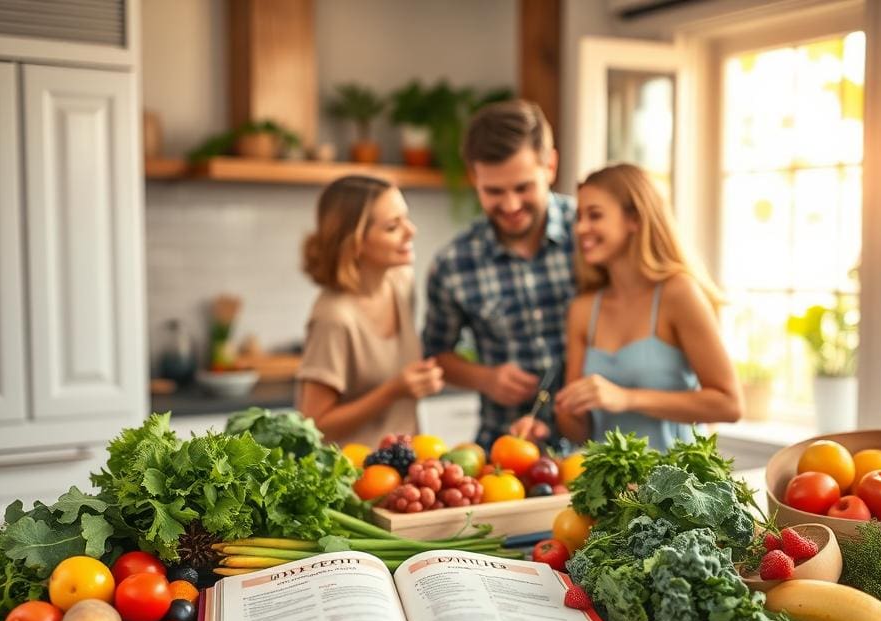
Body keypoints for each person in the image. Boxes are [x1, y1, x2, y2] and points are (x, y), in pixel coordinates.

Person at [515, 163, 742, 450]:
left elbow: (730, 404)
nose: (581, 228)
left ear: (634, 219)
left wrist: (626, 398)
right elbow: (579, 433)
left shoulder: (678, 293)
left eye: (595, 215)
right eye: (579, 217)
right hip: (609, 490)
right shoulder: (584, 309)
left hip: (677, 486)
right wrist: (559, 417)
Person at [422, 100, 576, 449]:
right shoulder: (454, 263)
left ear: (550, 165)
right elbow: (435, 355)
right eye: (493, 191)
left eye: (523, 187)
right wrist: (486, 378)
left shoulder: (591, 235)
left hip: (600, 450)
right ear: (474, 178)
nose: (510, 205)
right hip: (505, 454)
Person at [297, 175, 444, 446]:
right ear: (355, 243)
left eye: (406, 218)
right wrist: (394, 390)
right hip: (354, 478)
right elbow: (314, 425)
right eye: (392, 227)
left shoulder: (401, 282)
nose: (411, 231)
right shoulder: (334, 318)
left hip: (404, 469)